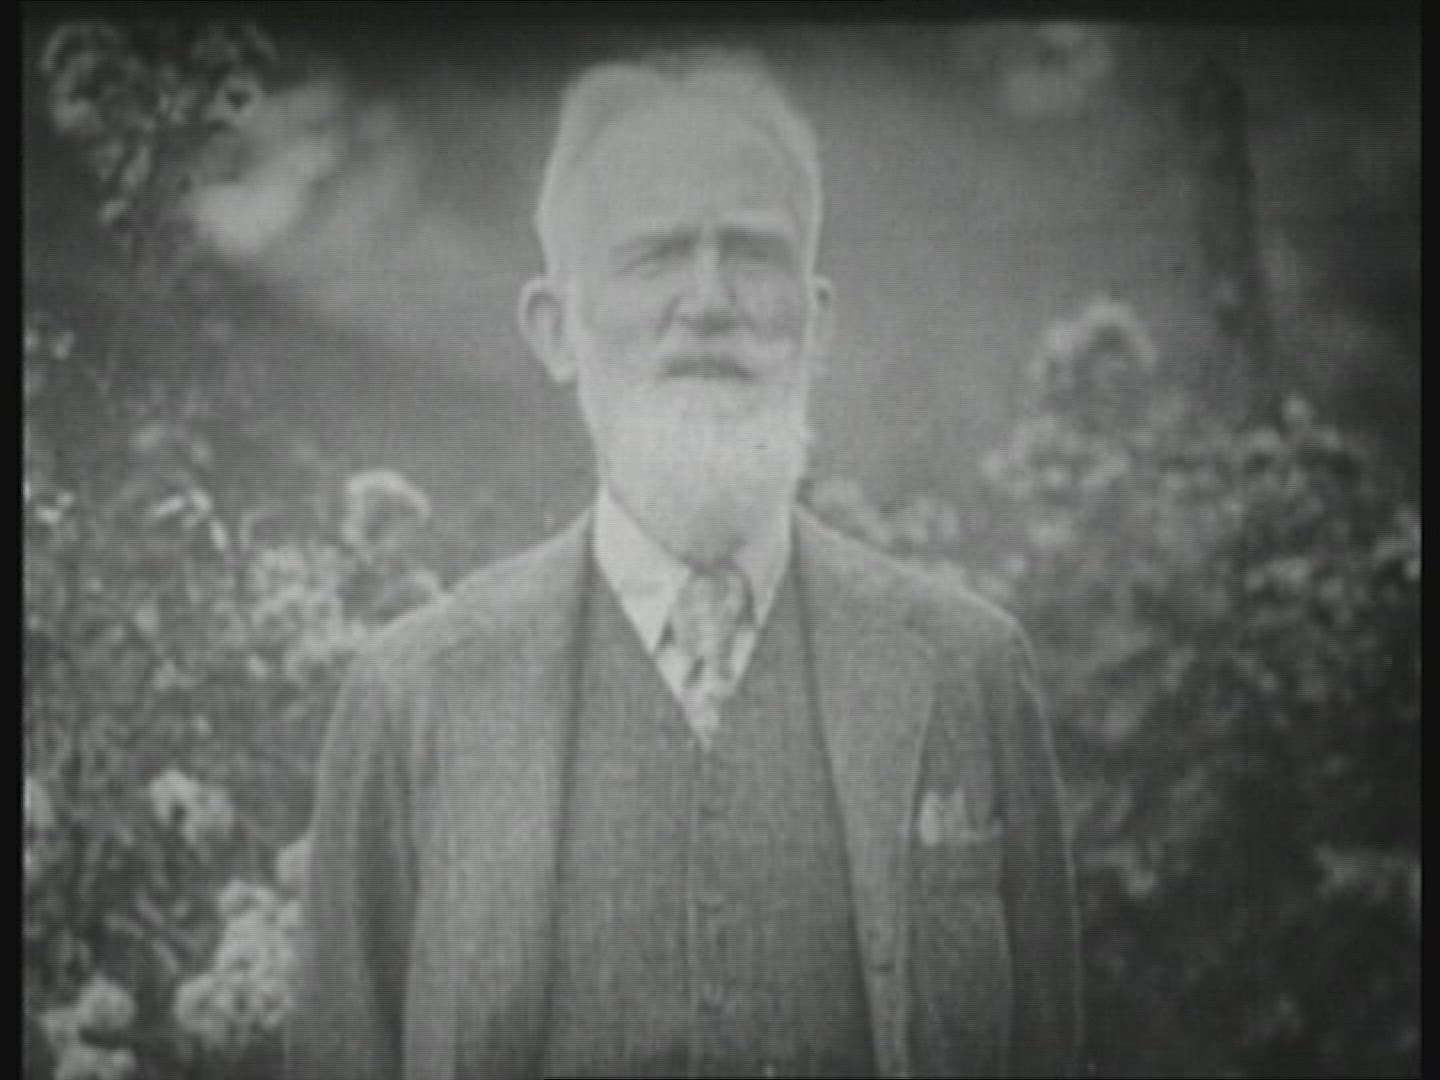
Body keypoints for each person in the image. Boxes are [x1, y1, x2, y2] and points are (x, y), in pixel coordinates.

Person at [288, 49, 1080, 1080]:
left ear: (817, 324)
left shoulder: (971, 672)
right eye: (654, 256)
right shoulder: (412, 696)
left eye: (753, 253)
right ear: (555, 330)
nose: (709, 302)